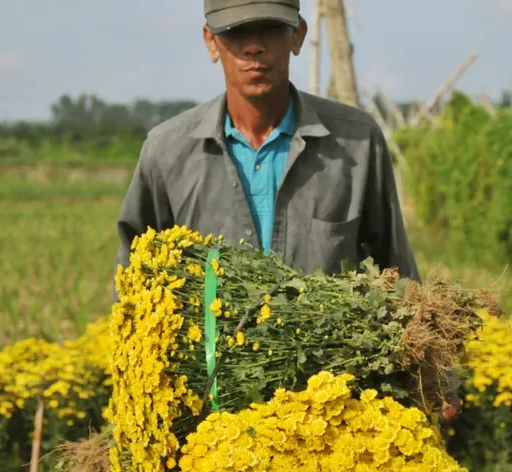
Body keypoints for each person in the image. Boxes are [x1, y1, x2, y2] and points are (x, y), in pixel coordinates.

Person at [114, 0, 460, 421]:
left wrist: (435, 379)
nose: (254, 48)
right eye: (236, 33)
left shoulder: (355, 141)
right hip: (210, 411)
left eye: (269, 30)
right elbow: (134, 279)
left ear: (298, 35)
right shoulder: (168, 150)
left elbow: (397, 265)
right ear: (211, 42)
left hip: (332, 406)